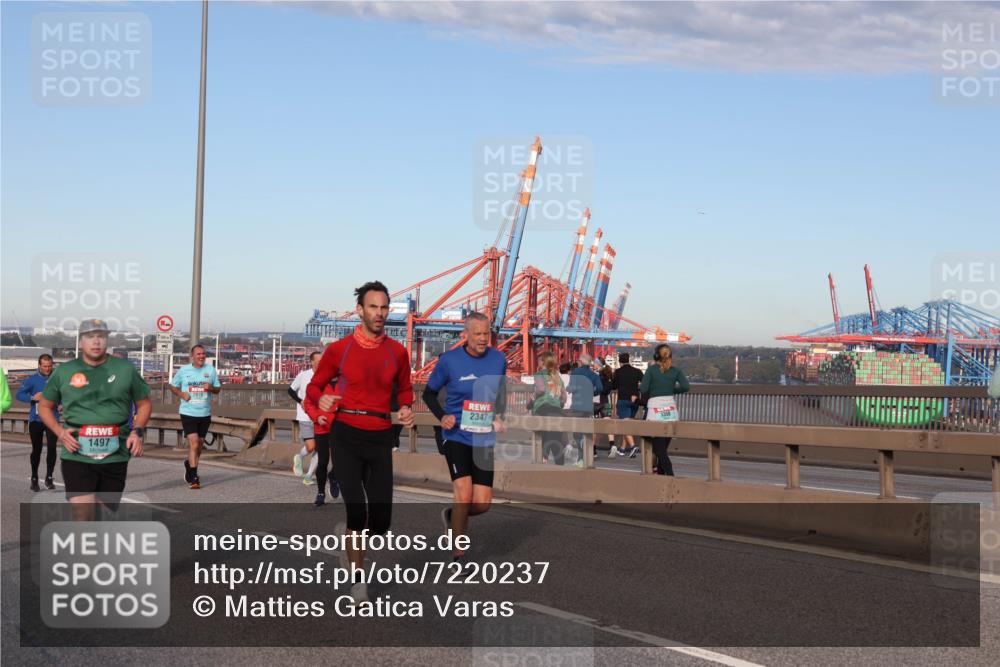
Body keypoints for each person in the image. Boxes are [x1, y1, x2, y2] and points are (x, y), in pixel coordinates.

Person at [307, 281, 414, 605]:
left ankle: (350, 537)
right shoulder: (339, 350)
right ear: (360, 309)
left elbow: (406, 390)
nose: (379, 313)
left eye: (384, 308)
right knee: (357, 510)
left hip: (380, 436)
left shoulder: (398, 352)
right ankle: (358, 580)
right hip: (346, 434)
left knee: (380, 523)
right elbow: (314, 387)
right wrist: (322, 400)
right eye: (373, 307)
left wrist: (406, 408)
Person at [37, 319, 151, 520]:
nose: (96, 342)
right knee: (83, 513)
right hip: (77, 453)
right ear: (81, 341)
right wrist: (60, 432)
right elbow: (45, 407)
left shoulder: (125, 369)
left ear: (107, 340)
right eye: (90, 337)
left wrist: (138, 431)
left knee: (104, 516)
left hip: (115, 453)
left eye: (101, 336)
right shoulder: (64, 371)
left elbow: (144, 404)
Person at [422, 312, 507, 573]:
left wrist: (500, 415)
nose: (483, 339)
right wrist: (442, 415)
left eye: (487, 333)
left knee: (482, 503)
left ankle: (452, 517)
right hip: (456, 435)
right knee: (464, 492)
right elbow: (428, 393)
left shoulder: (498, 359)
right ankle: (459, 555)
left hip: (483, 437)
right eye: (478, 334)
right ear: (465, 335)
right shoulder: (449, 361)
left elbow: (500, 392)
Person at [168, 344, 222, 489]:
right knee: (194, 443)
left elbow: (218, 389)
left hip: (204, 413)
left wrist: (210, 388)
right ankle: (194, 478)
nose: (201, 356)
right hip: (188, 412)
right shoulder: (184, 370)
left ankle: (189, 465)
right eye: (198, 354)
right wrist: (181, 394)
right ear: (192, 356)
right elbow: (173, 386)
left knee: (199, 446)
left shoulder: (210, 370)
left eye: (203, 354)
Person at [640, 344, 690, 476]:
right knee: (663, 448)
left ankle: (670, 474)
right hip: (671, 411)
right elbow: (686, 387)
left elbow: (644, 389)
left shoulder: (651, 370)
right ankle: (662, 475)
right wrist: (671, 390)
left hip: (655, 410)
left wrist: (654, 389)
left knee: (659, 450)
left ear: (656, 356)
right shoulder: (676, 371)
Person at [16, 354, 60, 491]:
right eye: (44, 366)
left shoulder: (58, 379)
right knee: (37, 450)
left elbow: (66, 393)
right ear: (39, 365)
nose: (47, 368)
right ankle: (34, 478)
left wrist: (63, 404)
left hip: (53, 419)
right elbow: (19, 395)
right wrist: (32, 397)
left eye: (49, 366)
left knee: (52, 449)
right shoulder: (32, 380)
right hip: (36, 420)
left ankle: (49, 477)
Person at [303, 380, 340, 507]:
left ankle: (334, 476)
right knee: (323, 461)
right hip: (322, 428)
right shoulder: (319, 383)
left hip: (341, 427)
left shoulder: (346, 381)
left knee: (341, 460)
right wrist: (317, 417)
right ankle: (320, 493)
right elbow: (307, 403)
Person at [289, 352, 321, 485]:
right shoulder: (303, 375)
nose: (321, 363)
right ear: (312, 362)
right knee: (311, 446)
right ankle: (300, 457)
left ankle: (308, 476)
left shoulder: (326, 376)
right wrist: (300, 401)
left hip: (321, 417)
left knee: (321, 448)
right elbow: (290, 390)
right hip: (305, 416)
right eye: (318, 360)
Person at [566, 353, 603, 468]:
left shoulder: (575, 372)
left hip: (577, 406)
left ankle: (581, 458)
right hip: (588, 407)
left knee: (577, 433)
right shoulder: (594, 374)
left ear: (580, 362)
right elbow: (600, 388)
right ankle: (587, 456)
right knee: (587, 432)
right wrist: (592, 393)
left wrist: (569, 389)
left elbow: (571, 388)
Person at [532, 351, 567, 465]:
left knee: (541, 437)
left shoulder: (539, 374)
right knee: (555, 440)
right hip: (556, 410)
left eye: (539, 360)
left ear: (542, 362)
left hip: (542, 408)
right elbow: (563, 396)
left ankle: (543, 461)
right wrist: (558, 405)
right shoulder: (557, 376)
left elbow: (541, 390)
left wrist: (533, 398)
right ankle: (560, 467)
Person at [610, 352, 643, 458]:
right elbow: (644, 383)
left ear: (619, 361)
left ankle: (633, 447)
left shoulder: (618, 372)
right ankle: (623, 449)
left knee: (625, 425)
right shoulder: (637, 371)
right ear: (628, 360)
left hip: (623, 400)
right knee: (628, 425)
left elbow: (614, 386)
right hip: (635, 400)